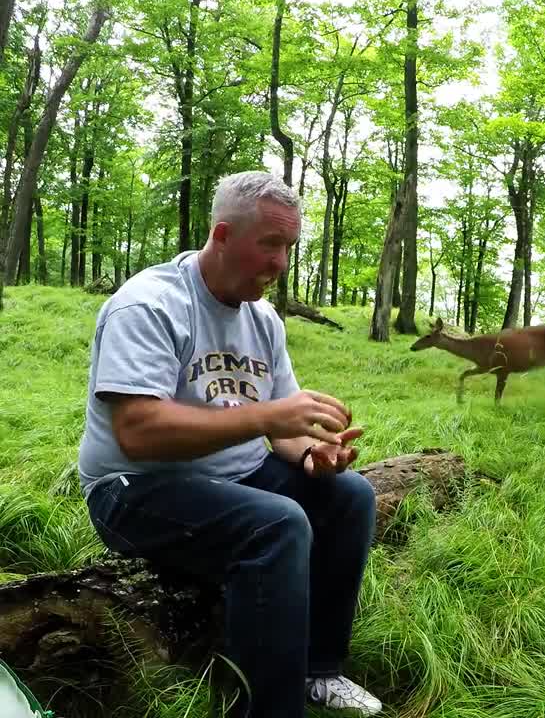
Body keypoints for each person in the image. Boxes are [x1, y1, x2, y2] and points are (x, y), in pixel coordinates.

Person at [77, 171, 383, 717]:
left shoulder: (264, 319)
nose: (281, 264)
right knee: (278, 523)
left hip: (233, 478)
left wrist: (314, 454)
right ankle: (269, 708)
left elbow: (283, 429)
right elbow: (138, 431)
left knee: (350, 496)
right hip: (133, 487)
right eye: (270, 245)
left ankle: (319, 670)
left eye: (289, 247)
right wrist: (270, 416)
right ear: (221, 236)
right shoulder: (148, 304)